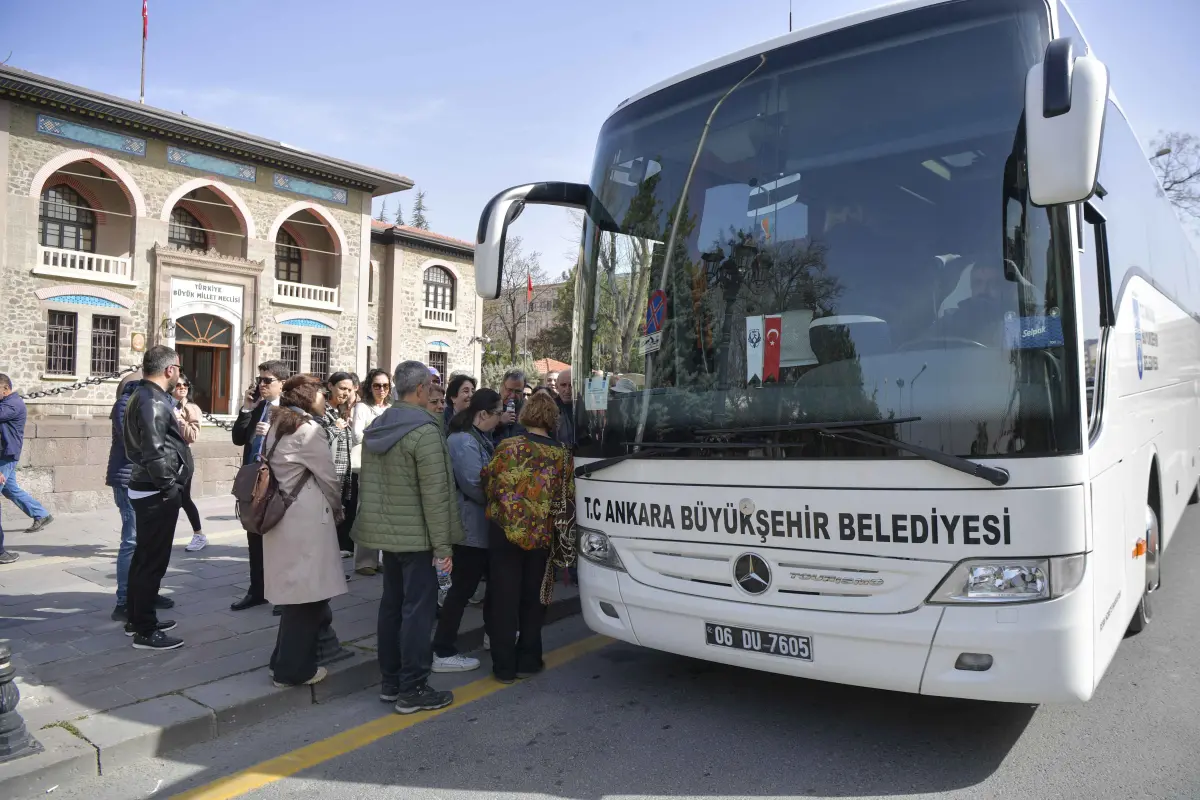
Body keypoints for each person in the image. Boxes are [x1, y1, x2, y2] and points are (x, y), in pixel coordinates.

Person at [352, 360, 464, 714]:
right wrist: (443, 547)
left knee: (391, 607)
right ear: (419, 390)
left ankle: (391, 681)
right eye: (431, 387)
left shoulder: (379, 426)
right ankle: (412, 688)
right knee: (417, 612)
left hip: (388, 535)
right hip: (417, 538)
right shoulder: (425, 431)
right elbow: (435, 493)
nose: (434, 392)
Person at [481, 391, 573, 683]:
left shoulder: (507, 446)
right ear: (552, 419)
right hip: (542, 535)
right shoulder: (561, 454)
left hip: (504, 532)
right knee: (535, 599)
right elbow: (566, 498)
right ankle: (529, 659)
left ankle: (504, 666)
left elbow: (488, 481)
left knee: (503, 600)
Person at [264, 375, 348, 688]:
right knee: (307, 598)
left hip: (284, 517)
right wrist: (338, 508)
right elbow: (328, 478)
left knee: (296, 597)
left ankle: (281, 661)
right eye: (321, 394)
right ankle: (293, 670)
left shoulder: (278, 424)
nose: (325, 399)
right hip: (306, 519)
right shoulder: (308, 430)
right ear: (308, 398)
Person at [123, 346, 193, 650]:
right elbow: (152, 451)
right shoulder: (151, 400)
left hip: (148, 486)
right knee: (152, 561)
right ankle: (145, 630)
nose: (178, 373)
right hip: (155, 490)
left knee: (144, 557)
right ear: (169, 370)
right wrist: (169, 487)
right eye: (177, 368)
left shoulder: (144, 395)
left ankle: (137, 618)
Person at [432, 388, 502, 673]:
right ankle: (443, 649)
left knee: (484, 587)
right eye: (497, 413)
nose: (500, 419)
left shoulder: (479, 438)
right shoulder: (463, 442)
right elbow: (475, 485)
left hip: (481, 528)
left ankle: (492, 635)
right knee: (461, 589)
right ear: (482, 414)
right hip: (469, 529)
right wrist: (502, 500)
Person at [109, 370, 176, 620]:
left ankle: (147, 593)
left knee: (145, 543)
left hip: (139, 478)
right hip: (130, 478)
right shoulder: (128, 404)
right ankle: (125, 600)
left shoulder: (143, 402)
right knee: (132, 541)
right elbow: (143, 443)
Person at [230, 360, 290, 613]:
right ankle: (257, 590)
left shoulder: (289, 410)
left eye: (268, 381)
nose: (261, 385)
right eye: (260, 380)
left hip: (277, 482)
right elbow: (238, 438)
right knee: (254, 535)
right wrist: (246, 408)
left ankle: (283, 594)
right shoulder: (258, 407)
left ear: (282, 384)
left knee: (279, 539)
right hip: (254, 482)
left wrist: (274, 430)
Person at [0, 374, 55, 564]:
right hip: (5, 454)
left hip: (6, 456)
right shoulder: (8, 402)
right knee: (10, 489)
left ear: (5, 389)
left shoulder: (12, 405)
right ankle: (41, 514)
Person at [351, 368, 392, 577]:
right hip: (368, 465)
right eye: (377, 385)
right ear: (370, 386)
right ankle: (365, 560)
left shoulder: (391, 408)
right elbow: (357, 435)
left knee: (386, 512)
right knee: (367, 511)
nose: (381, 390)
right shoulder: (362, 408)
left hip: (389, 466)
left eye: (385, 385)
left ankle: (382, 558)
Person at [322, 371, 360, 558]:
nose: (345, 393)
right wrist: (335, 428)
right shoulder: (321, 410)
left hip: (343, 474)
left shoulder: (342, 412)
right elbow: (317, 440)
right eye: (341, 388)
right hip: (329, 475)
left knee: (337, 519)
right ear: (330, 386)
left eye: (348, 389)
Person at [171, 374, 206, 552]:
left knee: (183, 498)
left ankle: (199, 535)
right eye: (178, 385)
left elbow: (192, 435)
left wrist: (179, 418)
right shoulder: (164, 405)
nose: (182, 387)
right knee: (169, 499)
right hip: (166, 457)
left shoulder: (191, 408)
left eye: (185, 384)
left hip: (183, 458)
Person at [492, 369, 527, 444]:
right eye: (509, 390)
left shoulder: (529, 409)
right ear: (501, 386)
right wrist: (498, 421)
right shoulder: (489, 404)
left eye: (518, 391)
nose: (513, 395)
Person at [554, 368, 575, 447]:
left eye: (571, 385)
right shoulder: (548, 409)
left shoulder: (585, 408)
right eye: (563, 385)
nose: (567, 390)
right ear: (556, 386)